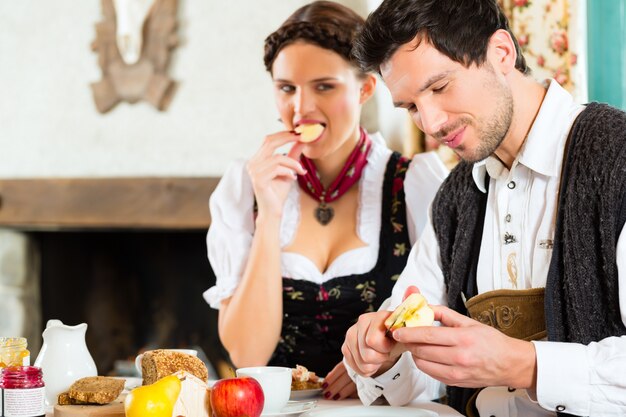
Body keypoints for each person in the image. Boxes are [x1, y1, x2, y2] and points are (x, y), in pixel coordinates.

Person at [341, 0, 626, 415]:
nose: (432, 123)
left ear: (501, 54)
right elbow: (416, 383)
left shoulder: (617, 159)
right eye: (411, 107)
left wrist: (522, 365)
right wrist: (386, 357)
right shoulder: (455, 197)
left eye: (439, 87)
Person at [203, 0, 448, 401]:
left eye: (324, 86)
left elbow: (437, 323)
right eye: (286, 89)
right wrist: (270, 211)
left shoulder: (414, 184)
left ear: (366, 88)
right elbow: (247, 353)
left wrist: (375, 369)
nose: (301, 109)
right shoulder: (245, 186)